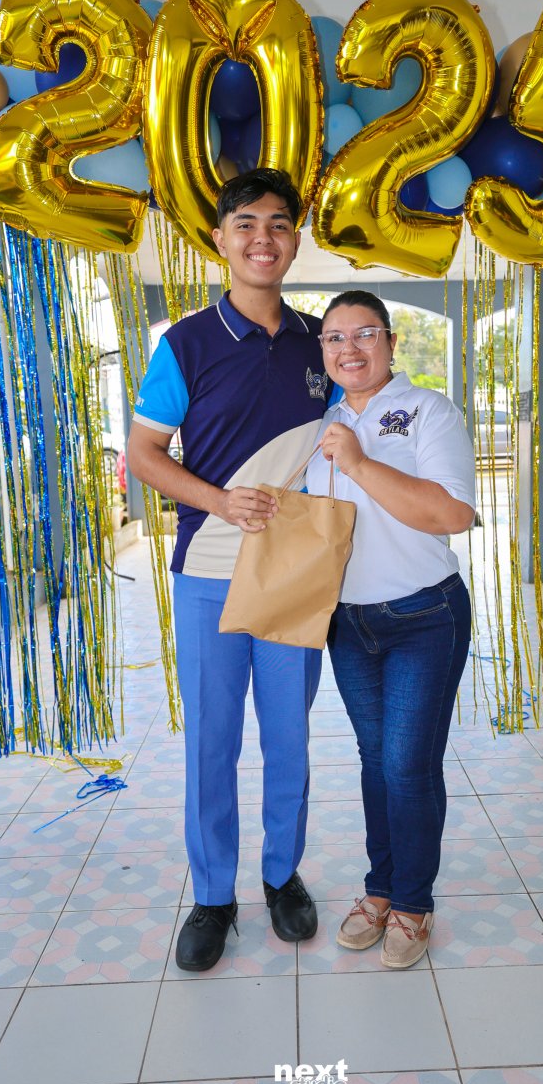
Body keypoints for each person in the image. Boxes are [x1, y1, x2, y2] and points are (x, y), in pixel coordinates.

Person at [126, 169, 333, 971]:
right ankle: (214, 894)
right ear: (219, 239)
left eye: (278, 224)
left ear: (294, 239)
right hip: (208, 569)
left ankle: (282, 877)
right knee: (212, 741)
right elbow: (145, 455)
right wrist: (218, 499)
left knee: (289, 739)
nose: (262, 238)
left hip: (294, 572)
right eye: (245, 223)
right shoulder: (184, 344)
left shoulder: (321, 341)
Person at [305, 289, 475, 969]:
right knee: (375, 761)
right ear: (323, 351)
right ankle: (380, 889)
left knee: (407, 765)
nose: (349, 348)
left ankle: (412, 903)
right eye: (334, 338)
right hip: (348, 624)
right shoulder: (321, 423)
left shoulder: (429, 411)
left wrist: (358, 462)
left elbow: (453, 514)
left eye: (364, 333)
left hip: (422, 617)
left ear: (391, 342)